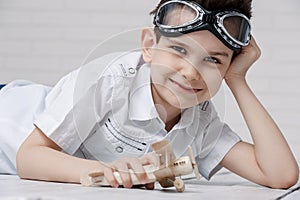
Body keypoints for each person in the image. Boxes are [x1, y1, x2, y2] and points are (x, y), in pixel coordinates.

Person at [0, 0, 298, 190]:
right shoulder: (109, 79)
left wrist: (237, 80)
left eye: (214, 60)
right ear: (148, 45)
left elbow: (280, 175)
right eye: (179, 50)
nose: (191, 73)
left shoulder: (200, 122)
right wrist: (106, 171)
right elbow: (28, 157)